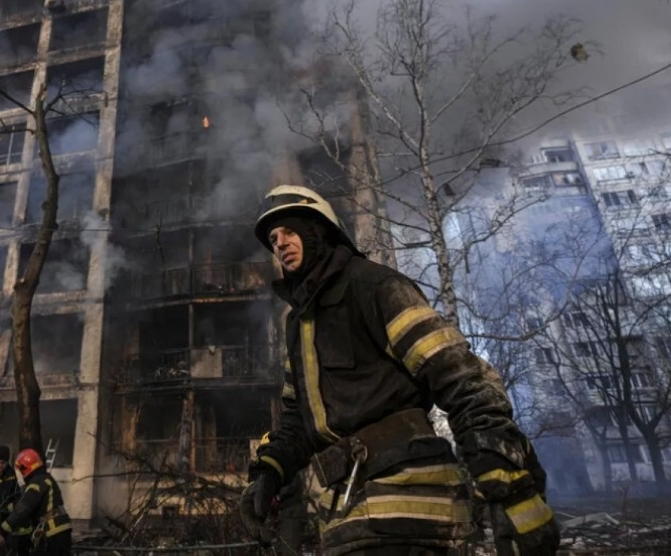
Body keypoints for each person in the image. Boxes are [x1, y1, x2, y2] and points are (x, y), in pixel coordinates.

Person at [239, 185, 560, 556]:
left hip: (411, 503)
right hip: (347, 515)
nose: (279, 244)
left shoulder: (374, 287)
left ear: (318, 231)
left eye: (290, 231)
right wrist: (268, 473)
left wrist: (508, 484)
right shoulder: (299, 325)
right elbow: (298, 422)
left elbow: (462, 378)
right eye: (273, 239)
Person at [0, 448, 73, 555]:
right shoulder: (45, 478)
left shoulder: (37, 482)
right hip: (61, 528)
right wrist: (3, 510)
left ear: (26, 468)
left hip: (53, 531)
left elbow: (24, 508)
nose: (20, 473)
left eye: (21, 469)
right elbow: (24, 503)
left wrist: (3, 529)